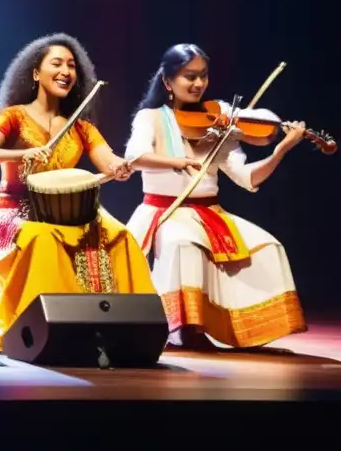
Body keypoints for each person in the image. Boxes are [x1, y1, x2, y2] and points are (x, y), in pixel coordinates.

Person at [0, 33, 155, 351]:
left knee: (122, 237)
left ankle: (128, 331)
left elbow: (107, 161)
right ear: (36, 73)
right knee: (43, 239)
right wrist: (19, 155)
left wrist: (120, 167)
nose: (66, 70)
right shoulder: (12, 117)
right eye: (57, 63)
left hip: (72, 215)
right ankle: (48, 331)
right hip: (13, 212)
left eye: (71, 65)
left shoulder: (81, 126)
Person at [123, 44, 307, 349]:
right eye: (189, 76)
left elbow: (246, 177)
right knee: (183, 243)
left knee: (270, 247)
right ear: (168, 82)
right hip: (165, 211)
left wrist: (280, 150)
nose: (198, 84)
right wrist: (177, 161)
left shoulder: (219, 119)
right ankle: (185, 327)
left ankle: (241, 326)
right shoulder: (151, 117)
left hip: (210, 212)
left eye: (203, 76)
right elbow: (135, 156)